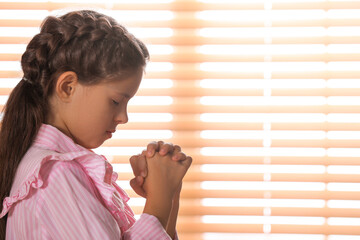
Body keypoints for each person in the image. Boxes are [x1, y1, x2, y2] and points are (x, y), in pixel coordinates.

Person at [0, 10, 192, 240]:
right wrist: (158, 201)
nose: (123, 117)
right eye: (115, 101)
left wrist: (168, 194)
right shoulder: (55, 175)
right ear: (67, 87)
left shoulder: (54, 168)